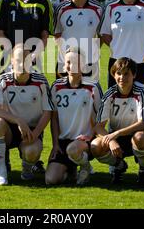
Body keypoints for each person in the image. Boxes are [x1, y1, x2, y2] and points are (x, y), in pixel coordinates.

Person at [0, 43, 53, 185]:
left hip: (31, 130)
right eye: (18, 61)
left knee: (32, 151)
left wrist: (35, 133)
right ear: (11, 61)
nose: (22, 64)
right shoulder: (3, 80)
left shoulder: (41, 81)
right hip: (9, 129)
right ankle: (2, 171)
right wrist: (18, 120)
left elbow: (48, 111)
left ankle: (27, 169)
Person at [91, 58, 144, 186]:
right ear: (113, 75)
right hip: (118, 139)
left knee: (140, 137)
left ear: (134, 75)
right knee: (96, 145)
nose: (122, 77)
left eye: (126, 73)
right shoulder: (109, 95)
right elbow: (98, 127)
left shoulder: (142, 91)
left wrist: (115, 134)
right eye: (119, 73)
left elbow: (143, 123)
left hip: (143, 136)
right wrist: (111, 140)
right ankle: (119, 166)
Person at [45, 47, 103, 186]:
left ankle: (85, 166)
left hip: (84, 142)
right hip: (63, 141)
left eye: (76, 62)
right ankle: (71, 168)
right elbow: (54, 118)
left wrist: (91, 136)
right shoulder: (56, 86)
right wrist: (55, 144)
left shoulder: (93, 87)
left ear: (83, 65)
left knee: (73, 149)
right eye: (68, 62)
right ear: (64, 65)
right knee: (51, 180)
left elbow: (101, 118)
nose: (72, 66)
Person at [54, 0, 103, 81]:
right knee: (63, 93)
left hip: (90, 61)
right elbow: (57, 34)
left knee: (90, 95)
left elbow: (101, 35)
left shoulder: (98, 9)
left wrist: (92, 49)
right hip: (66, 62)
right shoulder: (61, 9)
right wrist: (67, 53)